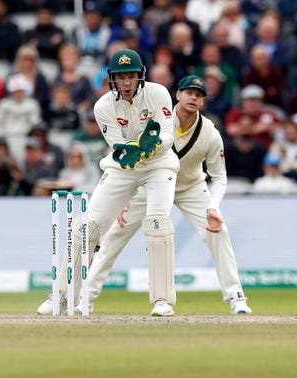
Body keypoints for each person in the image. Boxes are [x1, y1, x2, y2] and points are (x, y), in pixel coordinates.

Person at [55, 75, 252, 316]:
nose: (193, 97)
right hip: (149, 185)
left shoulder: (210, 133)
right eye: (188, 92)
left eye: (199, 95)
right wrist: (124, 196)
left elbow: (219, 177)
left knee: (218, 232)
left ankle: (236, 296)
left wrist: (213, 206)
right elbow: (129, 157)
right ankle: (87, 297)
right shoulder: (156, 117)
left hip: (190, 187)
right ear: (177, 95)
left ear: (203, 102)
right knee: (114, 238)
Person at [37, 48, 179, 316]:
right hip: (122, 166)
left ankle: (162, 300)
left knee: (157, 224)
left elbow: (169, 133)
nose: (126, 83)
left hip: (159, 165)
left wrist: (156, 143)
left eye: (131, 77)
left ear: (141, 76)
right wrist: (135, 149)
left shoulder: (158, 93)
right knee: (87, 227)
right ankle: (63, 294)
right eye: (121, 78)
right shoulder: (103, 106)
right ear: (112, 79)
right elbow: (118, 147)